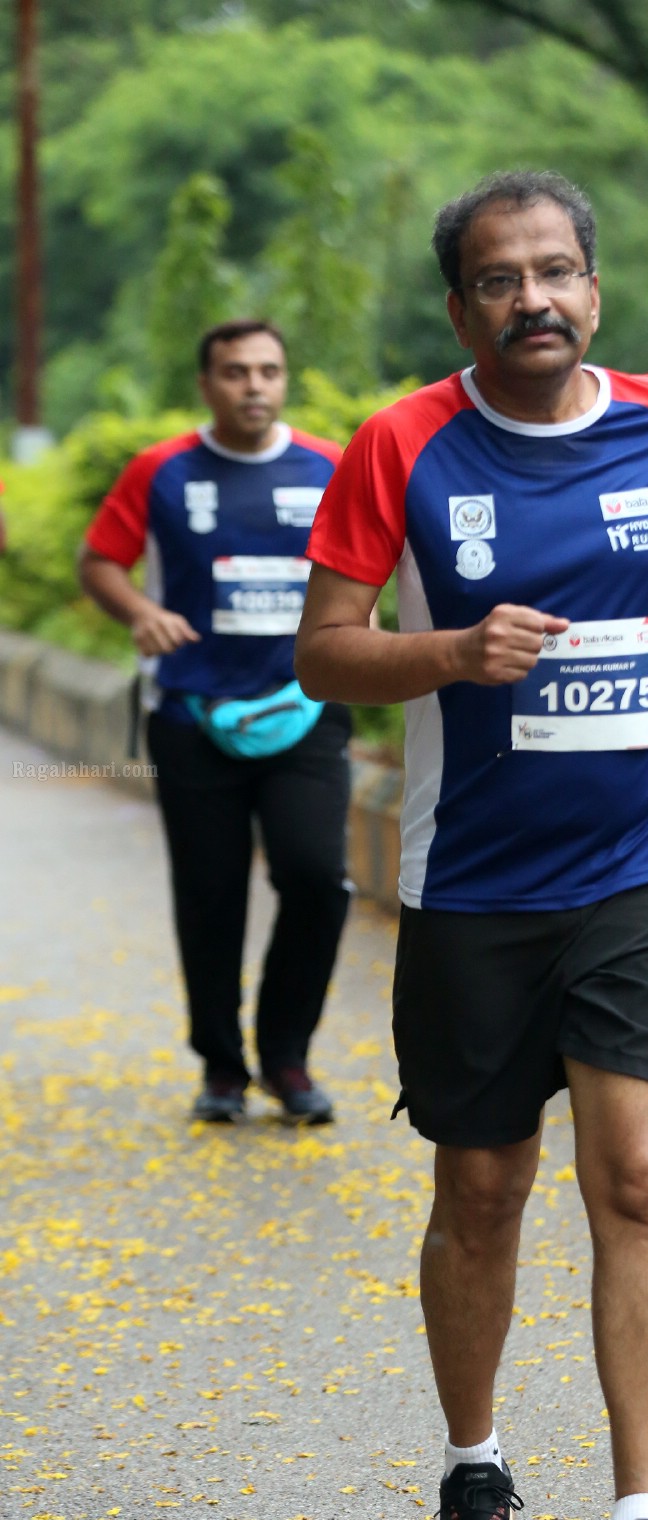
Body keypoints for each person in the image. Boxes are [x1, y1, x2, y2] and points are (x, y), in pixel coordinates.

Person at [296, 171, 648, 1520]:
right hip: (476, 882)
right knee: (484, 1191)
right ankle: (474, 1474)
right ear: (463, 309)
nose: (535, 301)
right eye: (501, 281)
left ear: (594, 289)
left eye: (557, 272)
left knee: (641, 1179)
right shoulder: (402, 445)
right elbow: (324, 655)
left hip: (645, 859)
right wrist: (450, 652)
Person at [79, 320, 351, 1125]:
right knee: (209, 895)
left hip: (305, 710)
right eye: (235, 372)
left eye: (269, 370)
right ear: (207, 384)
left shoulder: (330, 465)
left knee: (313, 878)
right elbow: (98, 561)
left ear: (285, 378)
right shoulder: (161, 470)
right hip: (193, 717)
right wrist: (139, 611)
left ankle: (289, 1057)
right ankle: (223, 1068)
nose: (254, 386)